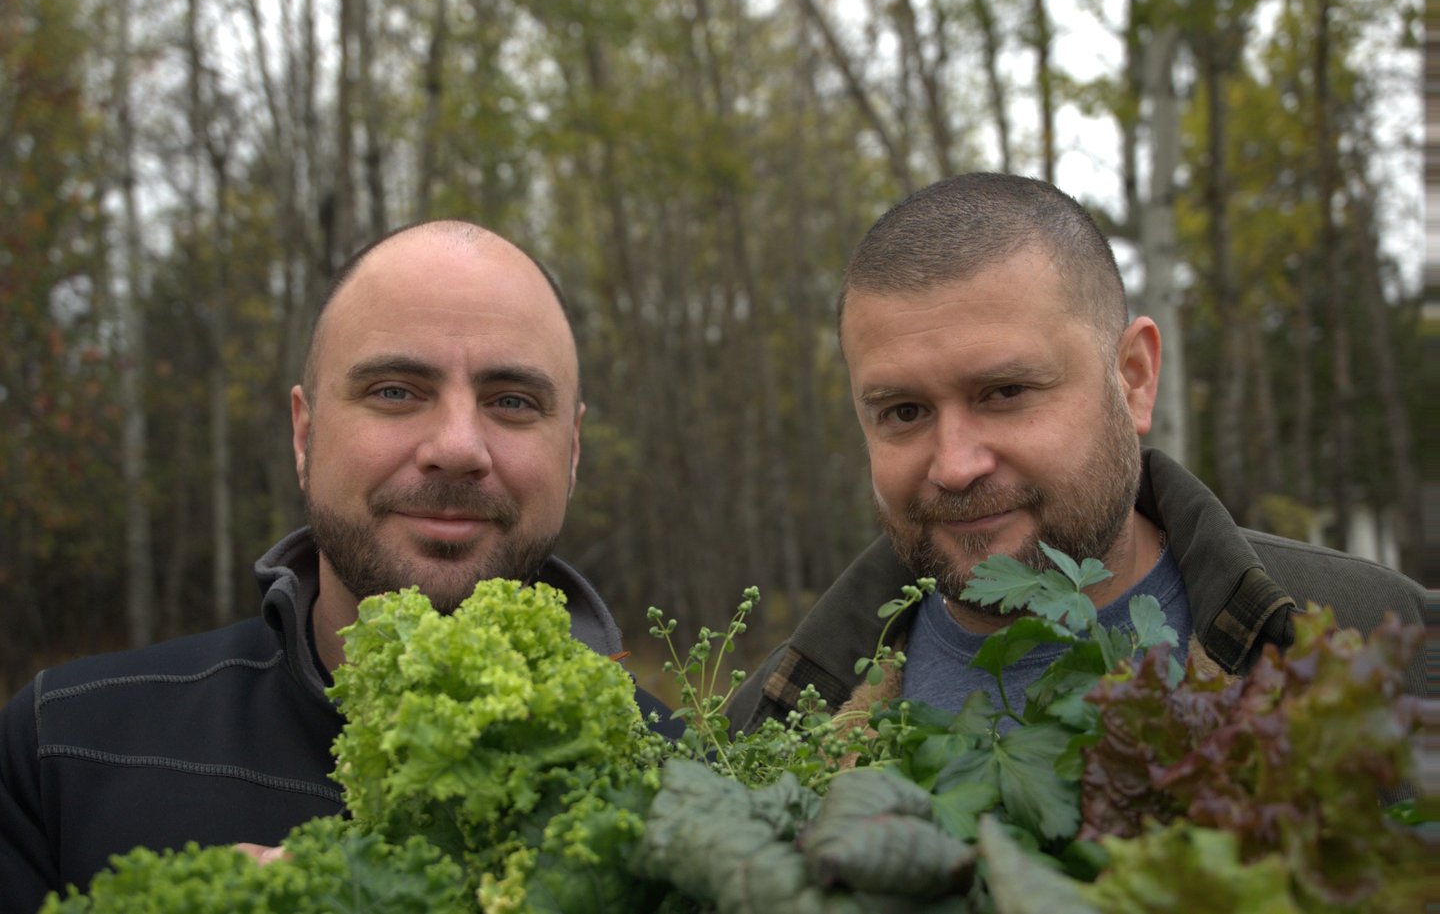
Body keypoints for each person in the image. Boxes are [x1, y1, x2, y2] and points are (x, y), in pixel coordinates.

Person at [0, 220, 678, 911]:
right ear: (305, 433)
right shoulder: (60, 749)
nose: (457, 446)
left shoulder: (686, 791)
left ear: (572, 450)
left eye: (512, 401)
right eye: (394, 391)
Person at [728, 172, 1426, 735]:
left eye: (1005, 392)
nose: (956, 465)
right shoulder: (767, 733)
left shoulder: (1391, 648)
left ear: (1134, 379)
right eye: (903, 412)